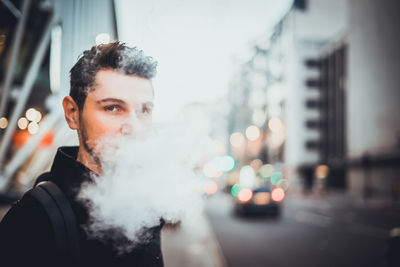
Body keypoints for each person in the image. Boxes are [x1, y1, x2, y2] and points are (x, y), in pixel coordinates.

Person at [0, 42, 164, 267]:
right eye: (113, 107)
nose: (133, 127)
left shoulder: (144, 209)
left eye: (144, 110)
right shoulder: (31, 219)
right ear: (72, 113)